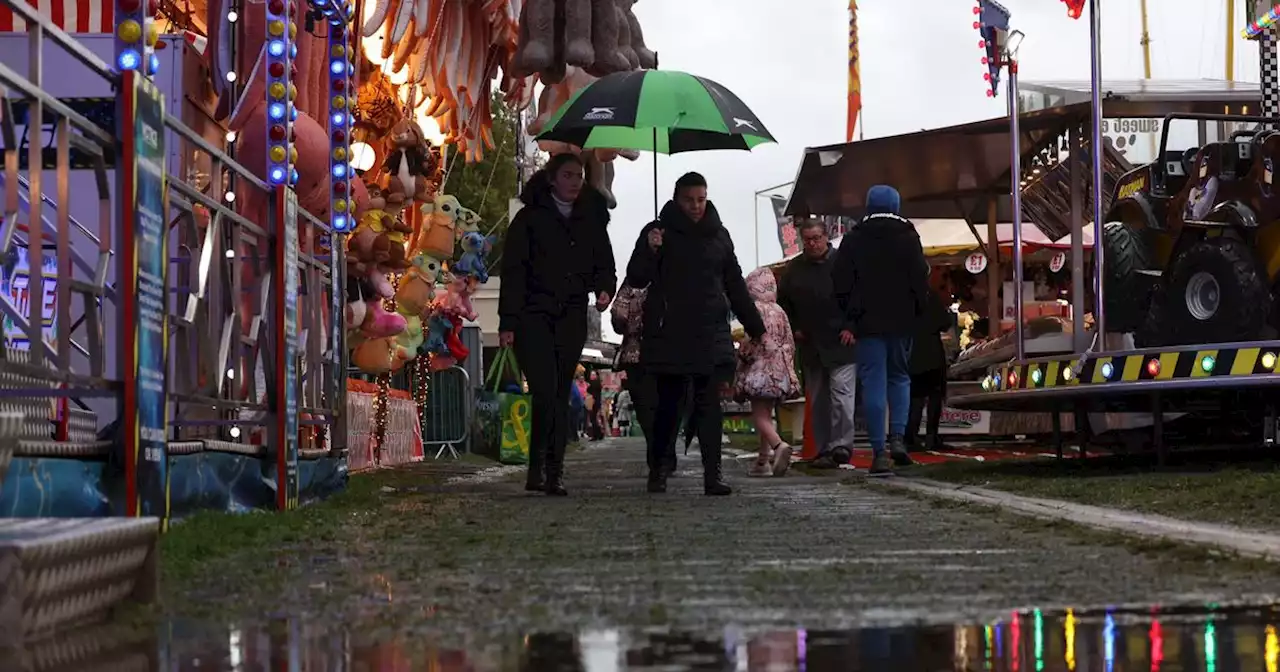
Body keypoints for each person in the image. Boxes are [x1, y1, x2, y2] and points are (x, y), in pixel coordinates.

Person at [625, 171, 766, 495]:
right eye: (689, 200)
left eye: (701, 199)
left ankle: (713, 474)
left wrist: (755, 326)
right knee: (669, 406)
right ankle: (658, 468)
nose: (695, 206)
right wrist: (650, 249)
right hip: (669, 331)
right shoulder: (657, 232)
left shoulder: (719, 235)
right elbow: (636, 278)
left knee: (708, 406)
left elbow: (734, 284)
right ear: (677, 199)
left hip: (710, 331)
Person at [498, 153, 615, 496]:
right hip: (533, 315)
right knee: (544, 391)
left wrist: (604, 289)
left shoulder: (591, 219)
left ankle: (554, 471)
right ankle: (538, 466)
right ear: (552, 179)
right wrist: (508, 321)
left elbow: (604, 262)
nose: (576, 181)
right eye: (568, 175)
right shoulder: (529, 219)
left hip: (572, 315)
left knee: (561, 392)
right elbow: (513, 272)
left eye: (579, 175)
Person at [832, 184, 930, 476]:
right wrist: (917, 314)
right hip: (902, 322)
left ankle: (878, 452)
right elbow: (919, 279)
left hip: (867, 324)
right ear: (896, 205)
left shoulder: (853, 239)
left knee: (874, 382)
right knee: (900, 378)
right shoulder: (909, 237)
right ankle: (898, 437)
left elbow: (841, 284)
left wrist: (850, 319)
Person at [777, 219, 858, 469]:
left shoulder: (843, 264)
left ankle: (842, 446)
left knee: (842, 396)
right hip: (811, 343)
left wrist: (851, 327)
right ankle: (824, 449)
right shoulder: (794, 269)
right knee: (819, 400)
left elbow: (858, 297)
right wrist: (794, 328)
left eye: (816, 238)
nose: (811, 244)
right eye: (807, 239)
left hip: (841, 343)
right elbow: (784, 304)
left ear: (826, 237)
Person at [735, 268, 799, 477]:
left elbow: (750, 342)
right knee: (767, 415)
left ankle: (779, 445)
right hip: (779, 372)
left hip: (759, 371)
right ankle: (763, 462)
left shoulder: (754, 310)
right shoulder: (780, 311)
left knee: (759, 416)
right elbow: (789, 341)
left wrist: (741, 358)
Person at [906, 284, 954, 453]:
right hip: (932, 351)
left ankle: (910, 437)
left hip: (911, 351)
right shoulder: (931, 295)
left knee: (915, 398)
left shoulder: (902, 294)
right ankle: (931, 437)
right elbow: (945, 323)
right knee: (934, 396)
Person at [586, 371, 604, 440]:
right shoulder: (596, 383)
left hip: (594, 402)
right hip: (595, 402)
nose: (591, 376)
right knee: (595, 419)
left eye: (593, 375)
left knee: (593, 419)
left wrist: (588, 386)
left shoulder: (594, 383)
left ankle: (596, 435)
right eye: (591, 375)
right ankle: (599, 434)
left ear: (596, 376)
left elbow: (590, 391)